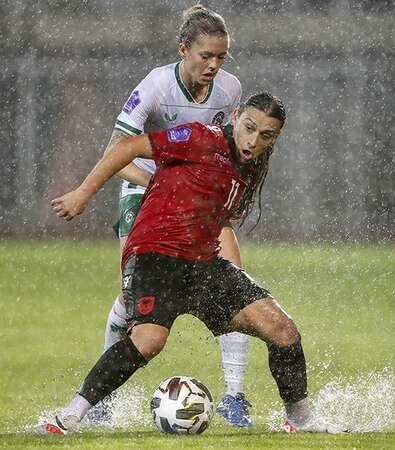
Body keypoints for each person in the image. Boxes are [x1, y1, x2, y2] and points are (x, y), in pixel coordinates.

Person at [41, 92, 335, 435]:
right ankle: (70, 415)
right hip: (155, 256)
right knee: (149, 341)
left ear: (275, 138)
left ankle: (301, 420)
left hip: (204, 265)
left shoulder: (252, 165)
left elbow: (225, 208)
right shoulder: (200, 137)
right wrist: (82, 194)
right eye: (249, 127)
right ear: (236, 115)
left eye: (266, 135)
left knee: (283, 332)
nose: (253, 140)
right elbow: (128, 147)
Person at [92, 4, 255, 427]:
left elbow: (231, 152)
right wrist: (162, 188)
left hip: (201, 201)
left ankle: (235, 398)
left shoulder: (230, 90)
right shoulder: (156, 86)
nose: (214, 65)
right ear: (183, 49)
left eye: (221, 57)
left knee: (235, 283)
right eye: (206, 56)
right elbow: (116, 152)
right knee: (134, 305)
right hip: (145, 194)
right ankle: (102, 402)